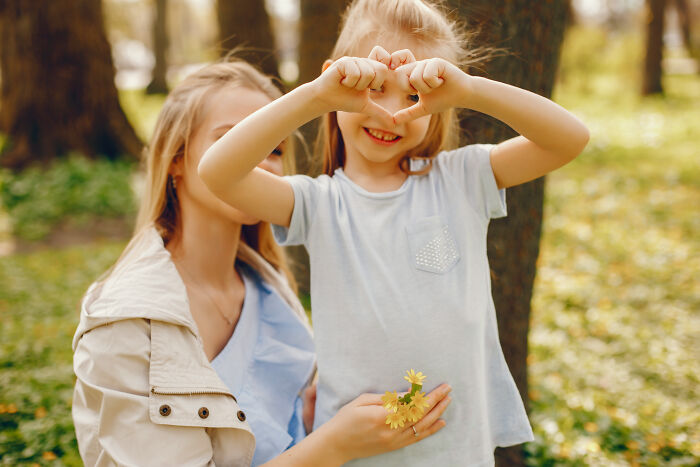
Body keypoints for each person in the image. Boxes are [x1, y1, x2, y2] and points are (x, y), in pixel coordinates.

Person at [198, 0, 591, 465]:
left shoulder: (461, 179)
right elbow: (218, 171)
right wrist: (316, 96)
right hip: (355, 451)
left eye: (410, 97)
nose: (389, 113)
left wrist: (468, 90)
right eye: (375, 89)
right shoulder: (318, 203)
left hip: (456, 449)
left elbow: (570, 138)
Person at [71, 59, 452, 467]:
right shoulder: (125, 319)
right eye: (233, 141)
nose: (260, 161)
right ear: (177, 158)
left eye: (273, 148)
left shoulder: (269, 288)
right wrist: (332, 446)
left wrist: (315, 421)